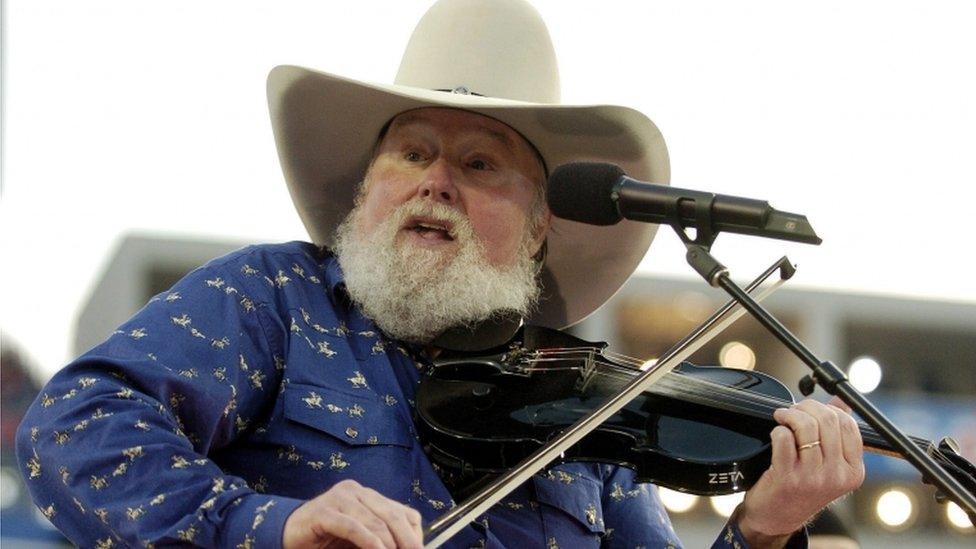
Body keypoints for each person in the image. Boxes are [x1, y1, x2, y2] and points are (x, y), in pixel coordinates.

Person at [15, 0, 864, 547]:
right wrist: (271, 524)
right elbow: (72, 426)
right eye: (411, 152)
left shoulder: (592, 409)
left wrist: (762, 528)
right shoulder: (275, 298)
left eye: (481, 163)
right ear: (366, 191)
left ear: (539, 229)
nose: (436, 180)